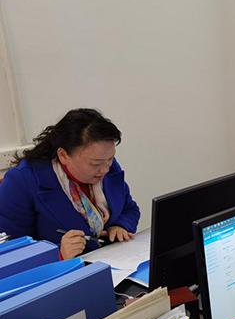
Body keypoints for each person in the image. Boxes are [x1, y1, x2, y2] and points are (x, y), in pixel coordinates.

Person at [0, 108, 140, 259]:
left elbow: (129, 208)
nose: (105, 169)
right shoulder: (23, 180)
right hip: (63, 270)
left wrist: (121, 225)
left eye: (110, 159)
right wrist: (58, 254)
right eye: (95, 163)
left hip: (114, 260)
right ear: (63, 155)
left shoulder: (106, 165)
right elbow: (11, 251)